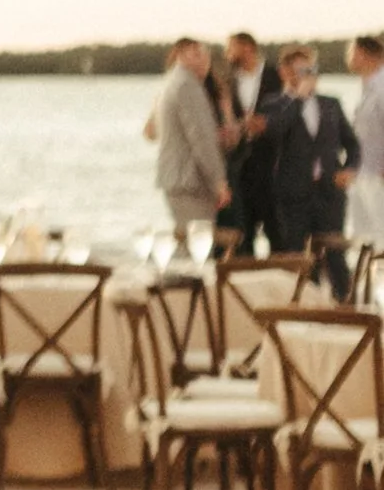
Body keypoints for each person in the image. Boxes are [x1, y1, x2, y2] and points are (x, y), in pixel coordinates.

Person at [266, 41, 357, 295]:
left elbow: (352, 143)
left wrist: (349, 168)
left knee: (336, 257)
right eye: (303, 70)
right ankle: (307, 307)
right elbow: (275, 132)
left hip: (329, 193)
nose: (310, 75)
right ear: (286, 72)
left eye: (312, 69)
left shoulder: (331, 104)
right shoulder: (274, 105)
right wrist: (297, 98)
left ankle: (347, 307)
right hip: (293, 195)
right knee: (299, 257)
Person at [147, 36, 228, 242]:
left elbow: (152, 132)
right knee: (197, 246)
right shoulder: (187, 86)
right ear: (181, 55)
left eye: (206, 56)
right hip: (190, 182)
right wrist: (218, 181)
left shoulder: (169, 83)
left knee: (188, 243)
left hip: (176, 179)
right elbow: (201, 138)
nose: (205, 61)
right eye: (197, 55)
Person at [222, 29, 282, 254]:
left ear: (247, 47)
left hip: (273, 167)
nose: (227, 53)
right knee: (243, 233)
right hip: (239, 169)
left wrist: (266, 124)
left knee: (278, 232)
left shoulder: (277, 75)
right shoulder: (227, 80)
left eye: (231, 47)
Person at [352, 32, 384, 257]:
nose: (350, 58)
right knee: (366, 237)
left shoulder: (381, 87)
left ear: (364, 54)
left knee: (381, 235)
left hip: (378, 173)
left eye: (353, 53)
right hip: (362, 172)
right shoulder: (366, 87)